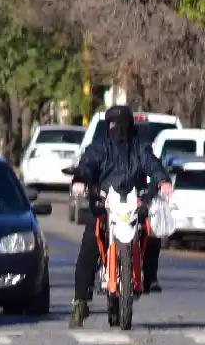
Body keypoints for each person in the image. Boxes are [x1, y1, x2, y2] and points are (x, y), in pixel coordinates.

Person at [69, 106, 172, 328]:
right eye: (112, 124)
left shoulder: (139, 147)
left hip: (133, 202)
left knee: (151, 231)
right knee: (89, 245)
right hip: (104, 202)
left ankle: (150, 276)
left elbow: (152, 164)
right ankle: (80, 302)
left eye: (121, 124)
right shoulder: (100, 147)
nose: (117, 128)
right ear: (107, 126)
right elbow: (88, 163)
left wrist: (162, 181)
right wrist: (81, 180)